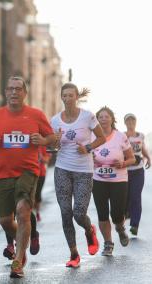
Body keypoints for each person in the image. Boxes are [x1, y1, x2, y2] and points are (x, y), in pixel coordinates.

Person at [0, 76, 56, 278]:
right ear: (6, 92)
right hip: (1, 173)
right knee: (5, 221)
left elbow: (53, 138)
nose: (14, 92)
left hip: (28, 171)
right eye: (10, 89)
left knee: (22, 211)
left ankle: (18, 260)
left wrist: (43, 139)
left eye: (18, 89)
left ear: (24, 93)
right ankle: (28, 237)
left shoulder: (36, 115)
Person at [50, 83, 106, 268]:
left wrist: (88, 148)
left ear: (76, 97)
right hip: (62, 170)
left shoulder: (87, 116)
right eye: (64, 95)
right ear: (61, 97)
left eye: (70, 95)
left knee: (79, 213)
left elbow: (101, 138)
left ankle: (90, 231)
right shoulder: (55, 120)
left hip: (84, 171)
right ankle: (74, 254)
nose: (67, 99)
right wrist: (55, 143)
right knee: (66, 213)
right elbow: (53, 148)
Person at [91, 107, 135, 256]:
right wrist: (88, 159)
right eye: (100, 117)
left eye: (106, 116)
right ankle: (108, 243)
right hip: (98, 180)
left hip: (119, 180)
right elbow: (84, 154)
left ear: (112, 119)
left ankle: (120, 228)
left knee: (117, 214)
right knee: (102, 214)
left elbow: (132, 158)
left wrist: (122, 164)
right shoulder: (91, 136)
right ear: (96, 120)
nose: (103, 119)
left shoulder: (120, 136)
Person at [124, 113, 151, 235]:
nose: (130, 123)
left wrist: (148, 158)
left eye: (132, 121)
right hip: (125, 171)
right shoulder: (123, 136)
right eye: (128, 121)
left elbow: (143, 148)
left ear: (135, 122)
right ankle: (128, 213)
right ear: (125, 123)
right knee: (126, 195)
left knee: (136, 195)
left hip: (138, 170)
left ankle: (135, 224)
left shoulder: (140, 135)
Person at [34, 146, 51, 222]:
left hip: (41, 174)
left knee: (37, 194)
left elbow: (47, 160)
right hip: (29, 173)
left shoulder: (43, 147)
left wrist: (40, 157)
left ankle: (37, 212)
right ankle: (30, 213)